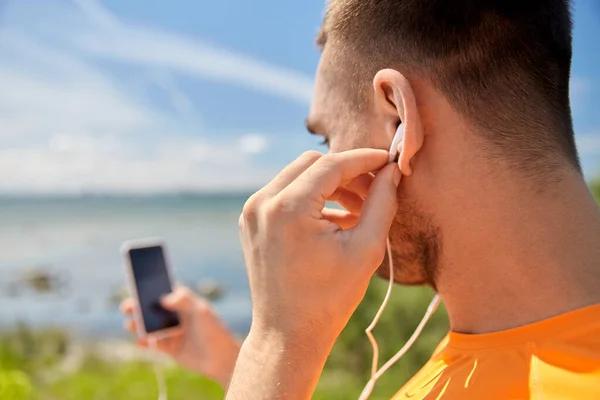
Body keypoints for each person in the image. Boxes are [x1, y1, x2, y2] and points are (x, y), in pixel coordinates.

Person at [126, 0, 600, 398]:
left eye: (327, 139)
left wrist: (275, 342)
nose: (327, 163)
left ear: (398, 122)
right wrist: (235, 363)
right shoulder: (514, 348)